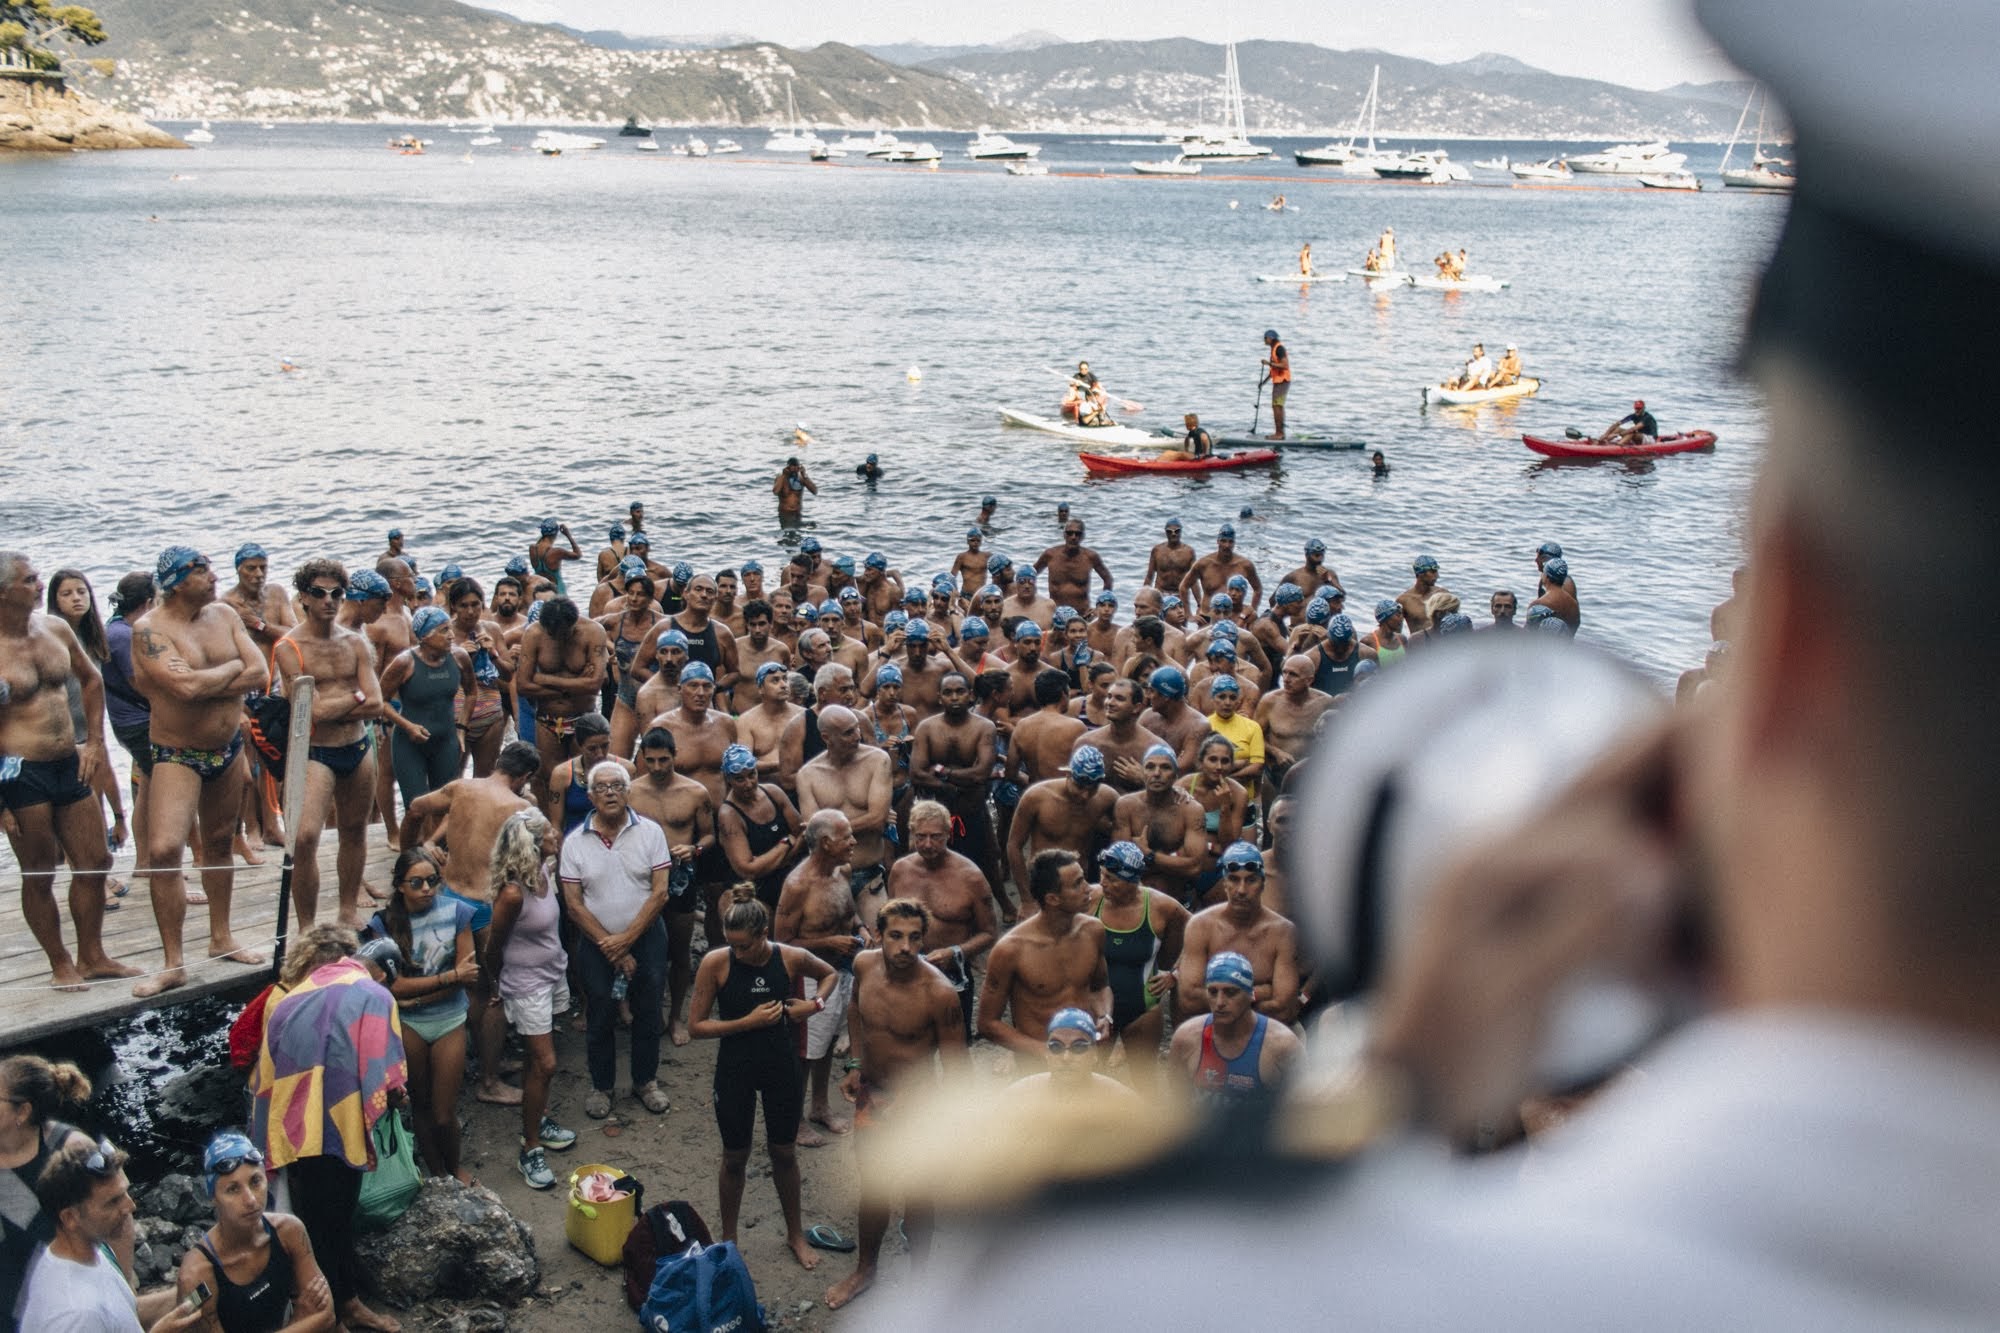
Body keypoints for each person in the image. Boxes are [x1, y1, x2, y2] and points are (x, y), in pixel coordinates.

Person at [129, 546, 271, 995]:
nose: (213, 576)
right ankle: (173, 962)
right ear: (175, 581)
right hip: (177, 752)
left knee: (218, 843)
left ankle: (221, 937)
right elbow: (184, 688)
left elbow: (260, 672)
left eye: (210, 569)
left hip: (227, 748)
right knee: (166, 850)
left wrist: (218, 675)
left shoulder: (225, 615)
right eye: (201, 571)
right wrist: (231, 670)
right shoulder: (149, 629)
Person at [249, 927, 405, 1333]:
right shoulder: (375, 996)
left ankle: (344, 1303)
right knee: (326, 1225)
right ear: (383, 973)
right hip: (339, 1125)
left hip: (293, 1127)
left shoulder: (289, 998)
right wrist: (392, 1096)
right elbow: (384, 1077)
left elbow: (263, 1077)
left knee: (319, 1221)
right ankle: (331, 1314)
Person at [821, 897, 966, 1312]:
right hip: (874, 1096)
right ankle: (866, 1270)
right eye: (896, 936)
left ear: (924, 939)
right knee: (874, 1189)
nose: (905, 947)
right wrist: (853, 1064)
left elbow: (957, 1071)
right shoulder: (865, 966)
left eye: (915, 938)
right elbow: (854, 1008)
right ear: (879, 936)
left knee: (919, 1195)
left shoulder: (939, 993)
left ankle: (920, 1284)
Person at [0, 554, 136, 992]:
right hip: (19, 773)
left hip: (69, 762)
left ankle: (92, 955)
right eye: (30, 580)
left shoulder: (54, 629)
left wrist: (95, 742)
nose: (40, 585)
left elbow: (91, 679)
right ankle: (60, 963)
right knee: (39, 872)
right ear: (4, 592)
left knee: (95, 862)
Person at [687, 896, 833, 1273]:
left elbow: (830, 974)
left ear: (763, 934)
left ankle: (795, 1234)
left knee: (784, 1152)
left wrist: (813, 1005)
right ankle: (730, 1240)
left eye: (744, 944)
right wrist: (745, 1023)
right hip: (735, 1067)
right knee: (735, 1156)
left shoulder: (789, 957)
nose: (737, 951)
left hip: (780, 1065)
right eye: (731, 943)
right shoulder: (715, 964)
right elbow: (696, 1027)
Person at [397, 739, 539, 1107]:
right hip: (485, 905)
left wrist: (412, 853)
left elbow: (414, 807)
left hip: (449, 897)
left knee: (466, 984)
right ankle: (488, 1080)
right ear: (524, 776)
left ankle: (483, 1061)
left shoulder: (462, 787)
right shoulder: (520, 806)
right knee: (490, 992)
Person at [557, 761, 673, 1119]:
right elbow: (574, 906)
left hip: (647, 935)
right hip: (597, 944)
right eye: (602, 787)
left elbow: (660, 893)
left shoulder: (650, 832)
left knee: (649, 1010)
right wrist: (613, 946)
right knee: (601, 1012)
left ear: (628, 792)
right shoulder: (575, 842)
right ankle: (602, 1086)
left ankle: (645, 1082)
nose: (610, 792)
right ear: (590, 795)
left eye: (617, 786)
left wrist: (626, 940)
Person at [273, 559, 383, 929]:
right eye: (319, 593)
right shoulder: (290, 646)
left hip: (357, 747)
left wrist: (344, 703)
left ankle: (347, 909)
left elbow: (377, 703)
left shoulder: (355, 642)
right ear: (303, 597)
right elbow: (310, 712)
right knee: (304, 838)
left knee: (355, 830)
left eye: (337, 593)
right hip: (315, 751)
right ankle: (306, 925)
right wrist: (354, 698)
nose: (329, 601)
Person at [366, 848, 475, 1182]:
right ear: (400, 885)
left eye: (432, 881)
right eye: (417, 882)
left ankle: (455, 1168)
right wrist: (449, 979)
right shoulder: (382, 923)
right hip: (409, 1024)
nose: (427, 889)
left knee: (444, 1113)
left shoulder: (457, 911)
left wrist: (423, 990)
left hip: (448, 1019)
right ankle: (438, 1172)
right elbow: (391, 986)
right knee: (422, 1107)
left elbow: (467, 973)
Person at [484, 809, 578, 1191]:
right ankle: (530, 1147)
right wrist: (495, 984)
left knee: (535, 1060)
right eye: (550, 831)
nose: (557, 832)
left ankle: (536, 1116)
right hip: (526, 983)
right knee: (546, 1062)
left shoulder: (544, 872)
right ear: (535, 843)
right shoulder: (511, 893)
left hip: (552, 971)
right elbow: (494, 947)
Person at [20, 1138, 199, 1333]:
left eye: (125, 1193)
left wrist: (191, 1293)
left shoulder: (92, 1251)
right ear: (70, 1217)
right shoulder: (78, 1314)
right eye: (113, 1202)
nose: (130, 1206)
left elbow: (119, 1316)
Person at [774, 809, 871, 1143]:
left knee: (827, 1042)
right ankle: (795, 1120)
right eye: (847, 837)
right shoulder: (798, 885)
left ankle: (819, 1106)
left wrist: (860, 928)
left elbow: (848, 911)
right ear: (827, 843)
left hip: (840, 971)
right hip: (810, 977)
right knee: (803, 1052)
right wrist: (828, 942)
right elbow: (781, 942)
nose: (854, 842)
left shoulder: (840, 871)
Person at [176, 1130, 334, 1332]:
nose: (250, 1200)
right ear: (213, 1197)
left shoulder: (290, 1231)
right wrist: (299, 1319)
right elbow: (315, 1320)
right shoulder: (196, 1274)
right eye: (233, 1189)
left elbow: (327, 1316)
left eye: (255, 1181)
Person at [623, 727, 714, 1046]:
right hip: (640, 879)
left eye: (664, 760)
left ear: (676, 756)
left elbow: (708, 835)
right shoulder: (631, 792)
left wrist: (695, 849)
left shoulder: (695, 792)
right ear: (642, 759)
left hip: (679, 879)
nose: (658, 767)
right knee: (640, 950)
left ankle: (676, 1016)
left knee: (679, 950)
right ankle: (645, 1010)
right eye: (651, 761)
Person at [977, 849, 1110, 1058]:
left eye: (1084, 879)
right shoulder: (1011, 950)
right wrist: (1046, 1052)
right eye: (1077, 884)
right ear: (1053, 899)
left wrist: (1104, 1016)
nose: (1089, 888)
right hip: (1037, 1064)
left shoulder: (1094, 930)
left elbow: (1100, 987)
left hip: (1084, 1057)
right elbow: (987, 1023)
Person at [886, 799, 998, 1041]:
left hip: (952, 976)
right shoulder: (900, 871)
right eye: (921, 836)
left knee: (956, 1049)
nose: (927, 844)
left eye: (936, 837)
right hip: (907, 971)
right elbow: (890, 922)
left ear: (949, 833)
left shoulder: (971, 877)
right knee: (910, 1047)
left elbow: (989, 933)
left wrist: (956, 952)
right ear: (912, 833)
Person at [45, 570, 132, 879]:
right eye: (66, 594)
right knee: (76, 813)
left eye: (81, 591)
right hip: (61, 737)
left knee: (94, 806)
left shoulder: (93, 639)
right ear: (54, 601)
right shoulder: (50, 637)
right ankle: (87, 874)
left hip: (90, 732)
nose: (76, 598)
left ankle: (97, 874)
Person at [0, 1054, 97, 1327]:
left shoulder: (73, 1149)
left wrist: (120, 1282)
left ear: (22, 1112)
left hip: (71, 1296)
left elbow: (119, 1217)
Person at [1088, 841, 1188, 1091]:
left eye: (1111, 879)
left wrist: (1175, 974)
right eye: (1101, 875)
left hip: (1142, 1008)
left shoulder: (1161, 906)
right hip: (1096, 1007)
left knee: (1145, 1084)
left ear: (1132, 880)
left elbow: (1203, 933)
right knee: (1091, 1079)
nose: (1103, 883)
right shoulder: (1091, 898)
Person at [1175, 842, 1299, 1022]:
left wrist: (1221, 998)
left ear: (1263, 883)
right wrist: (1260, 992)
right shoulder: (1201, 925)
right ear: (1224, 883)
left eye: (1251, 880)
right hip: (1213, 1028)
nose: (1241, 890)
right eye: (1234, 879)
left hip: (1265, 1031)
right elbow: (1188, 1000)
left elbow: (1284, 1009)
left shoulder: (1282, 932)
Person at [1168, 949, 1301, 1102]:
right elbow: (1176, 1107)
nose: (1220, 1003)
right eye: (1212, 992)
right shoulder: (1186, 1038)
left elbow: (1303, 1114)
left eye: (1230, 992)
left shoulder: (1282, 1045)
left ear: (1251, 994)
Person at [377, 607, 472, 812]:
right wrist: (408, 726)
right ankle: (413, 843)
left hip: (446, 740)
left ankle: (436, 844)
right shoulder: (404, 662)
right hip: (410, 743)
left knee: (445, 805)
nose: (452, 635)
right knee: (416, 808)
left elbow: (472, 692)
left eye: (451, 629)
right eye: (444, 630)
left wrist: (462, 728)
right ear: (426, 637)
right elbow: (380, 701)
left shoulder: (459, 657)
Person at [1006, 747, 1117, 905]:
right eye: (1080, 787)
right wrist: (1026, 900)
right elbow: (1013, 845)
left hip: (1081, 882)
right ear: (1068, 775)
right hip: (1044, 884)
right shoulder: (1037, 797)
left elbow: (1125, 826)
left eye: (1092, 789)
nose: (1085, 795)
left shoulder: (1107, 798)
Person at [1112, 744, 1207, 905]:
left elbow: (1194, 867)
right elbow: (1118, 863)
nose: (1157, 773)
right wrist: (1174, 860)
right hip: (1133, 898)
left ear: (1175, 775)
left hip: (1176, 899)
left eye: (1165, 767)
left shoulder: (1191, 810)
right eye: (1150, 767)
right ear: (1142, 773)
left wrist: (1148, 855)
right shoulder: (1126, 806)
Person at [1034, 519, 1114, 613]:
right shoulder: (1050, 555)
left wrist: (1101, 606)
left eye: (1077, 534)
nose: (1073, 537)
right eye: (1069, 533)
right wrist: (1035, 603)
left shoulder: (1090, 557)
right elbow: (1030, 575)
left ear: (1083, 536)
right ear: (1064, 535)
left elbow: (1108, 579)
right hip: (1055, 615)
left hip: (1082, 615)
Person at [527, 518, 581, 596]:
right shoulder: (557, 552)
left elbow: (539, 544)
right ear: (555, 534)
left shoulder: (532, 549)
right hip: (557, 592)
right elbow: (578, 555)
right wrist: (568, 535)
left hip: (540, 592)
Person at [1144, 519, 1195, 592]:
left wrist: (1199, 602)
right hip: (1160, 593)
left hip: (1179, 594)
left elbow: (1192, 581)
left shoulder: (1189, 552)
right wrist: (1143, 596)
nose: (1173, 534)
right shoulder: (1157, 551)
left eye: (1177, 531)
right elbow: (1149, 576)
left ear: (1181, 532)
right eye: (1169, 531)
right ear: (1165, 532)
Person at [1261, 329, 1290, 441]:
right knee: (1277, 406)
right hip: (1278, 381)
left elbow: (1284, 365)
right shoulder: (1274, 349)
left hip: (1282, 381)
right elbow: (1273, 370)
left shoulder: (1279, 348)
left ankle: (1279, 433)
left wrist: (1268, 363)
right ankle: (1280, 432)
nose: (1264, 340)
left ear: (1271, 338)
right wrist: (1263, 382)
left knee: (1277, 406)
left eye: (1265, 338)